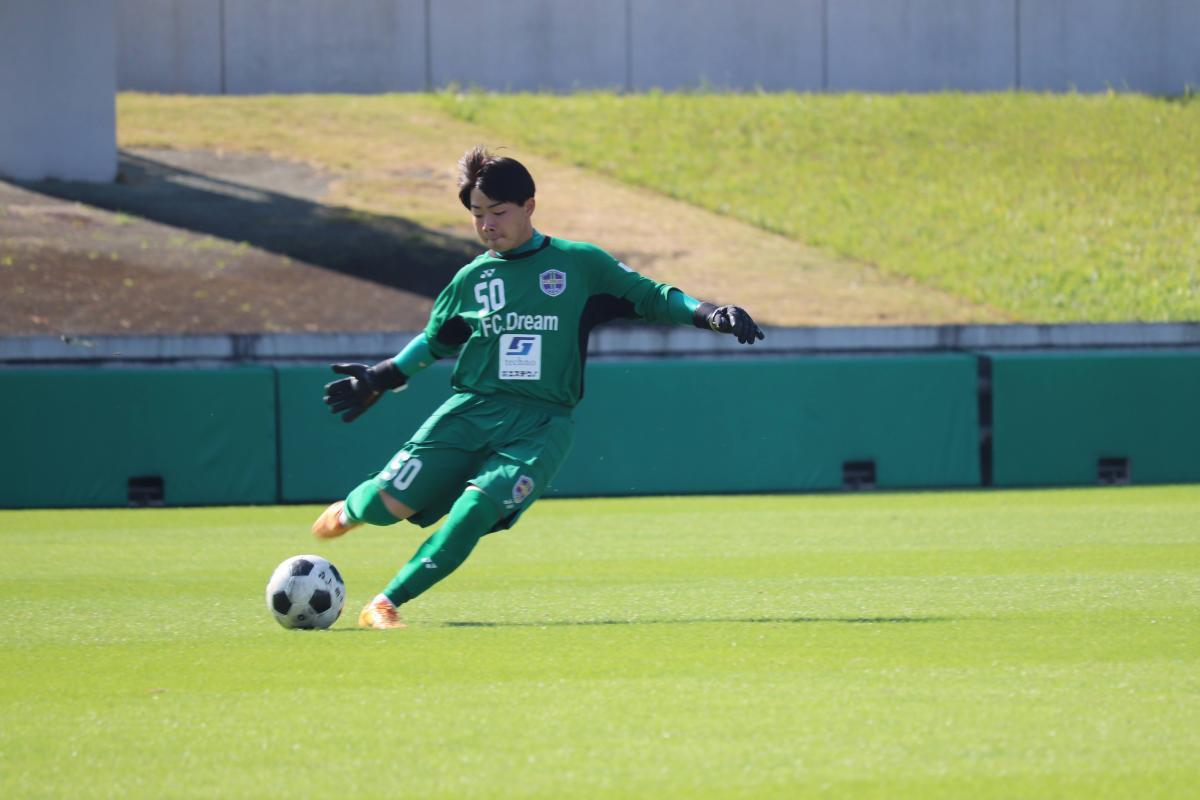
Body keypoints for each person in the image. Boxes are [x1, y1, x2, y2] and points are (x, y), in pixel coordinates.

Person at [312, 145, 765, 629]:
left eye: (498, 212)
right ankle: (352, 510)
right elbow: (436, 340)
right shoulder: (472, 279)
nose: (487, 225)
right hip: (471, 409)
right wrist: (382, 377)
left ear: (529, 206)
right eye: (477, 214)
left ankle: (384, 603)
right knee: (387, 506)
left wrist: (710, 314)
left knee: (474, 510)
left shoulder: (579, 264)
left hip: (542, 426)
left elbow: (651, 296)